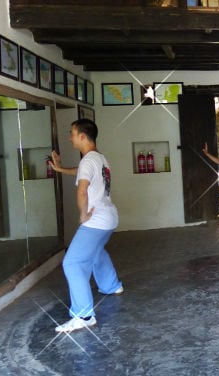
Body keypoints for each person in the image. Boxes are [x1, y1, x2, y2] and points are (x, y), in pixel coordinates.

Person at [48, 118, 123, 333]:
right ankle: (112, 285)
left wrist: (83, 215)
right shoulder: (99, 159)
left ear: (82, 136)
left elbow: (82, 190)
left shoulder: (88, 161)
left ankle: (84, 315)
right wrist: (60, 169)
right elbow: (81, 171)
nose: (70, 137)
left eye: (72, 133)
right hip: (109, 217)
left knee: (73, 263)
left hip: (96, 219)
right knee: (96, 251)